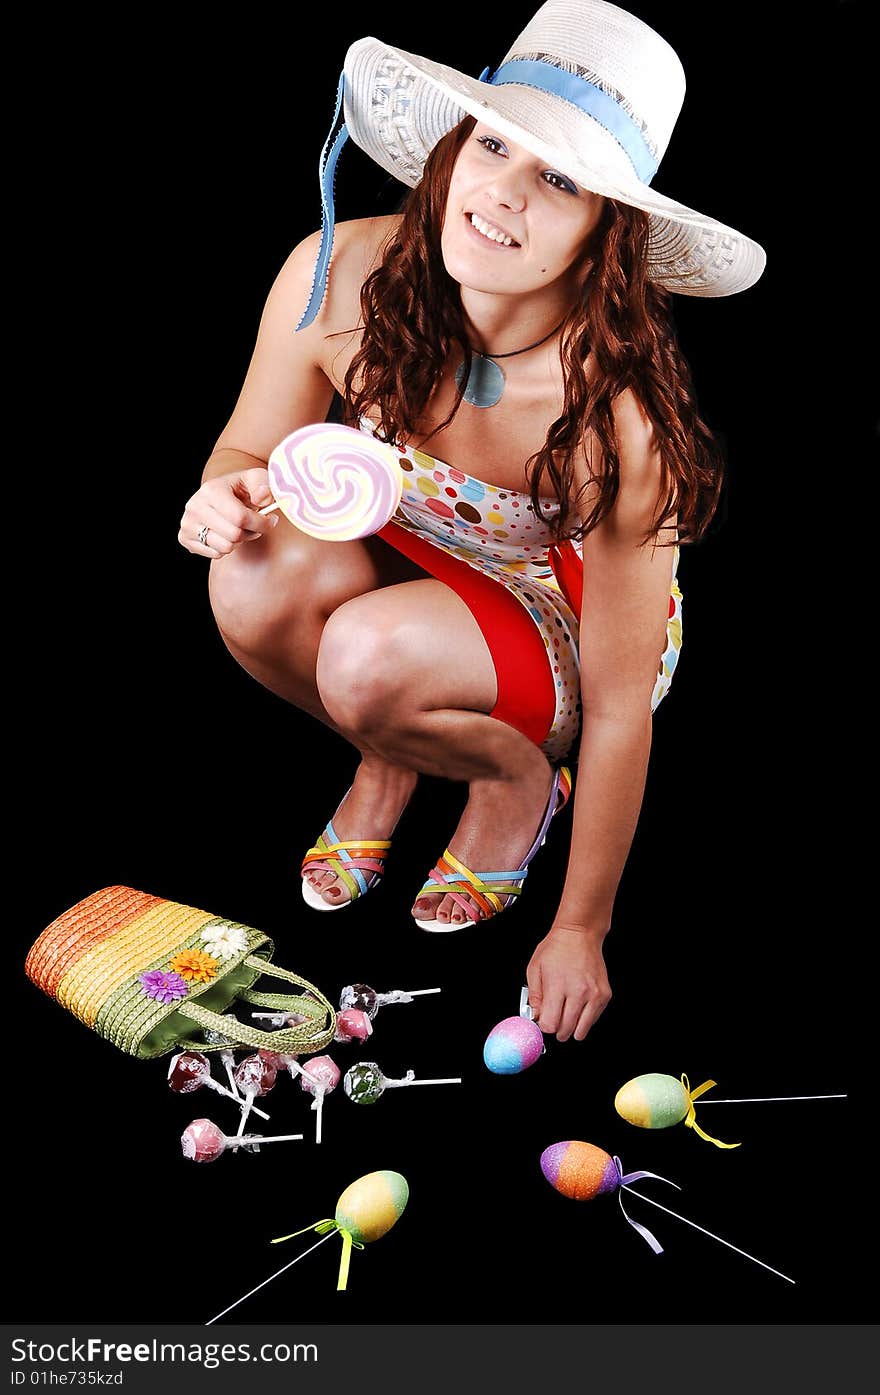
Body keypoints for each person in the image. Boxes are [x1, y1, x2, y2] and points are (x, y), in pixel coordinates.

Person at [177, 0, 764, 1044]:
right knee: (252, 577)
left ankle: (509, 777)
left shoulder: (618, 420)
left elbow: (624, 707)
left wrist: (581, 928)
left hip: (565, 622)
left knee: (361, 655)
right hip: (419, 552)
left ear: (605, 235)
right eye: (494, 144)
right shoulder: (341, 272)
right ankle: (391, 752)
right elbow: (244, 454)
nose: (501, 193)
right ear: (450, 151)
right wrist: (219, 497)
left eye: (560, 180)